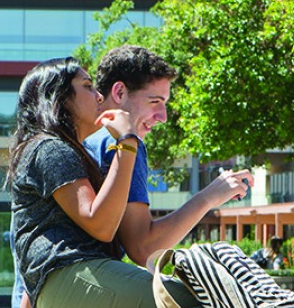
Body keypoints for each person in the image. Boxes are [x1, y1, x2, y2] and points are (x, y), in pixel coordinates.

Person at [0, 56, 225, 308]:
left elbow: (41, 249)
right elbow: (100, 226)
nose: (98, 96)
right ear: (58, 99)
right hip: (77, 290)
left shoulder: (54, 149)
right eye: (87, 87)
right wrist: (127, 143)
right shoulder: (51, 149)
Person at [83, 45, 252, 267]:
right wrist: (209, 196)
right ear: (120, 93)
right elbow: (144, 248)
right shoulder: (123, 144)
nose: (162, 117)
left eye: (164, 104)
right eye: (155, 102)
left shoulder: (85, 139)